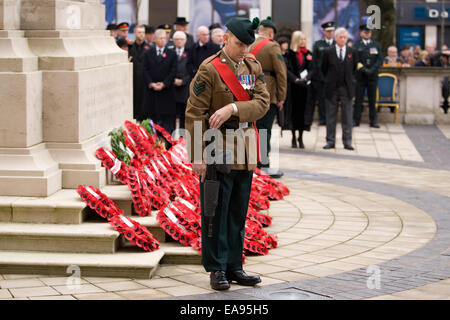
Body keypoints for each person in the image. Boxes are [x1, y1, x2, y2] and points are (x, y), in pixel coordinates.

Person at [185, 17, 270, 291]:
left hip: (244, 147)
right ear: (225, 38)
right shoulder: (209, 69)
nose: (244, 50)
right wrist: (197, 155)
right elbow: (194, 113)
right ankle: (217, 268)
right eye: (239, 44)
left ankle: (235, 266)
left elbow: (262, 104)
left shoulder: (253, 67)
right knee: (215, 211)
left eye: (248, 45)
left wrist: (233, 109)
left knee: (237, 211)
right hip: (216, 146)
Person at [249, 17, 287, 177]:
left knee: (252, 129)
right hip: (267, 93)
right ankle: (263, 163)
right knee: (265, 130)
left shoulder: (249, 45)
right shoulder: (272, 46)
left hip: (249, 91)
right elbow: (281, 73)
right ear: (270, 33)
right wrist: (281, 96)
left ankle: (252, 161)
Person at [322, 27, 358, 151]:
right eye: (340, 37)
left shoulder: (352, 52)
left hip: (346, 89)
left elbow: (354, 69)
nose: (343, 39)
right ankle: (330, 140)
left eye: (345, 37)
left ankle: (347, 141)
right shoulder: (328, 51)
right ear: (335, 38)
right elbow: (323, 69)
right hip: (332, 88)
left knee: (347, 116)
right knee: (331, 116)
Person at [142, 29, 178, 134]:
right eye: (160, 38)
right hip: (151, 92)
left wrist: (164, 83)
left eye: (164, 38)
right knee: (151, 119)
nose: (163, 40)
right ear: (155, 39)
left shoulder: (171, 53)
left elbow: (173, 70)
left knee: (167, 120)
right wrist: (151, 83)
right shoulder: (148, 53)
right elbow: (145, 70)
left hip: (166, 91)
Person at [353, 24, 383, 128]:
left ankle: (373, 121)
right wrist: (363, 69)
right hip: (360, 76)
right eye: (365, 32)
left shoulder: (376, 45)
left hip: (372, 76)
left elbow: (379, 60)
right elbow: (355, 60)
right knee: (358, 99)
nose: (367, 34)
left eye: (369, 32)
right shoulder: (356, 45)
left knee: (372, 100)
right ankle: (356, 120)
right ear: (361, 33)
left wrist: (372, 70)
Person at [287, 31, 313, 149]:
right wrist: (295, 79)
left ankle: (301, 137)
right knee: (294, 112)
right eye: (301, 39)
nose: (303, 41)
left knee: (303, 112)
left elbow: (313, 68)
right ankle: (293, 136)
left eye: (304, 39)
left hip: (304, 88)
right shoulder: (289, 54)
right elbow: (286, 69)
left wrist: (307, 78)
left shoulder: (308, 54)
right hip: (293, 87)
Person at [311, 21, 336, 126]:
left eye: (331, 31)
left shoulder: (336, 44)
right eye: (328, 31)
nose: (330, 33)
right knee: (321, 99)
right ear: (324, 32)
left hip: (333, 78)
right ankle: (322, 119)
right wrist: (321, 76)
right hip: (320, 77)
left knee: (332, 99)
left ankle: (332, 119)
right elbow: (315, 62)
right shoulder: (318, 44)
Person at [129, 25, 151, 122]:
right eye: (139, 32)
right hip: (132, 81)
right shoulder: (130, 48)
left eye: (143, 32)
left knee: (144, 106)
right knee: (133, 105)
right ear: (134, 33)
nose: (141, 35)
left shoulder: (150, 48)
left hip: (145, 82)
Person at [173, 31, 192, 129]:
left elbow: (191, 70)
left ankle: (182, 140)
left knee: (184, 117)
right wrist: (173, 79)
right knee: (172, 116)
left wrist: (183, 81)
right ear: (173, 41)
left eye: (181, 39)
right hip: (172, 88)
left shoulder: (190, 53)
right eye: (177, 39)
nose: (179, 41)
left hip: (185, 89)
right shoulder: (170, 52)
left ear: (185, 41)